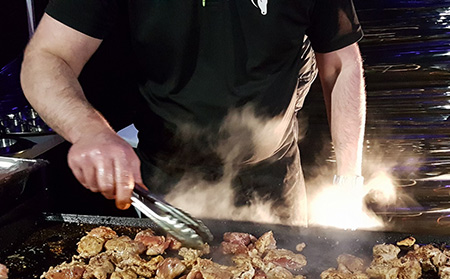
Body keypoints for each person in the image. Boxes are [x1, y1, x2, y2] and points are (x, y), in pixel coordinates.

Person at [20, 0, 366, 226]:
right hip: (167, 189)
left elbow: (341, 64)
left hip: (276, 184)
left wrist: (349, 180)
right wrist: (90, 131)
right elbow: (48, 56)